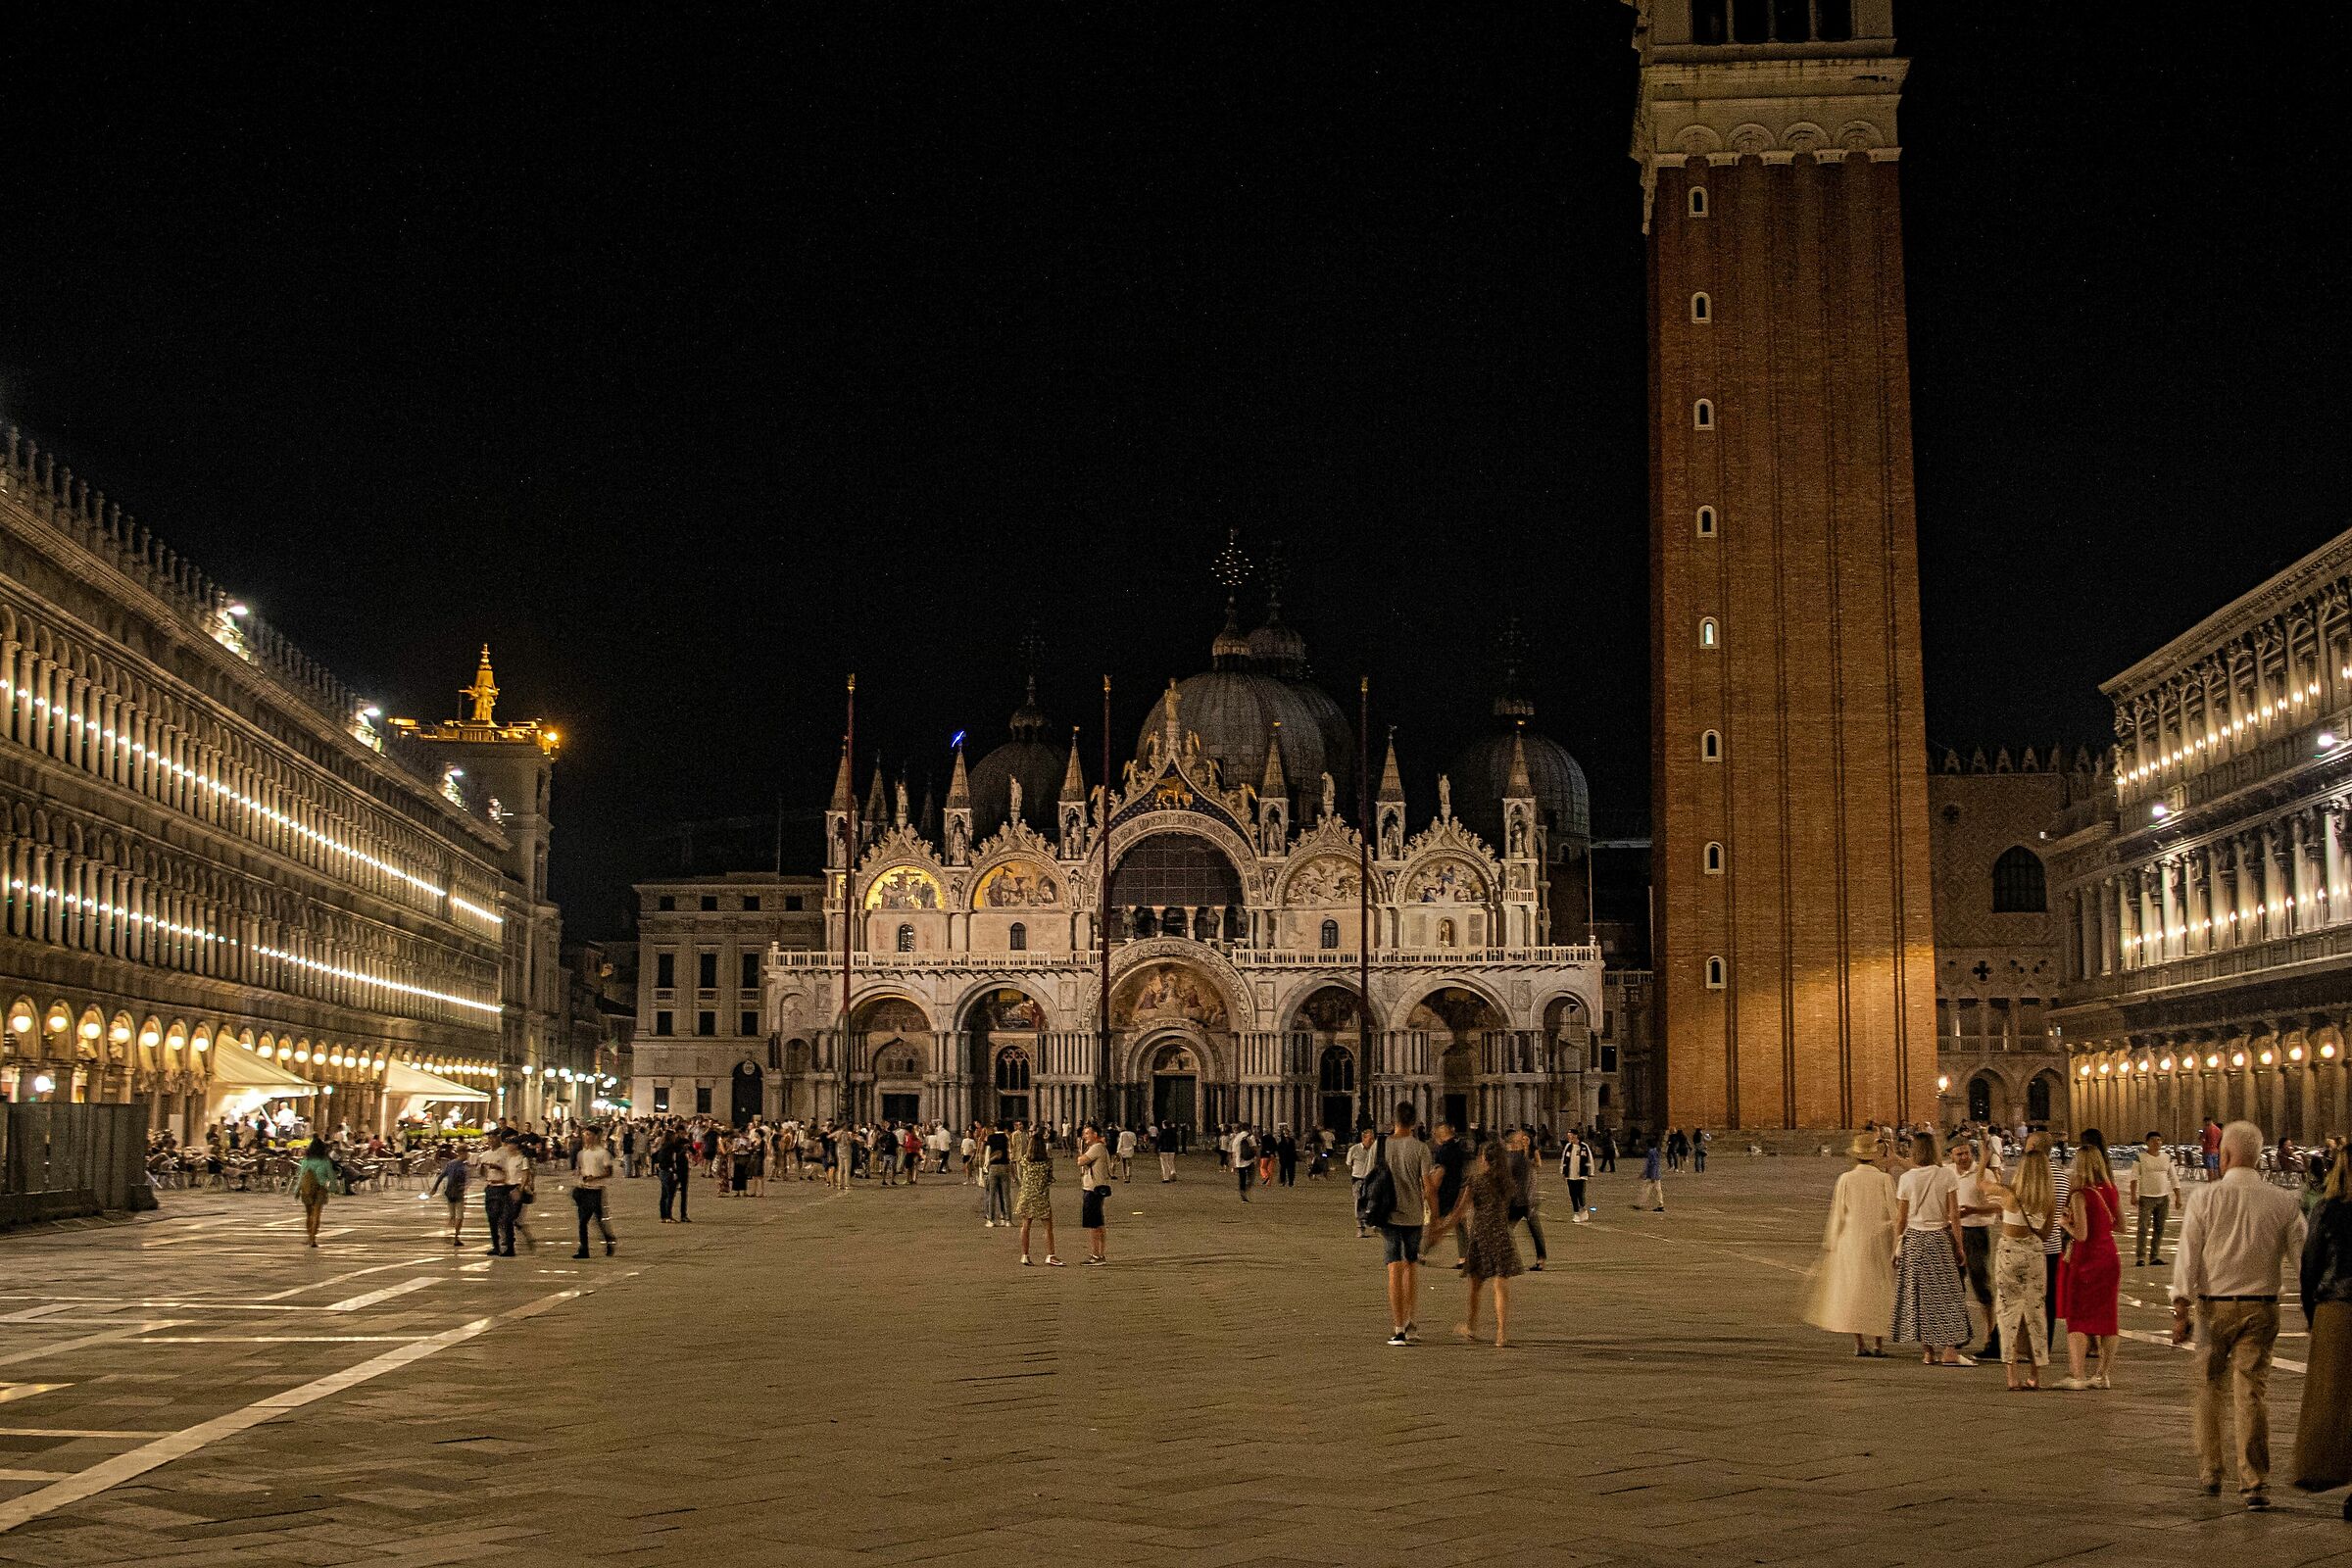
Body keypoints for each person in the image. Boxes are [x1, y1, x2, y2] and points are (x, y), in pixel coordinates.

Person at [2172, 1119, 2307, 1508]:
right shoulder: (2283, 1201)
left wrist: (2181, 1306)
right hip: (2262, 1307)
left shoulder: (2205, 1198)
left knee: (2209, 1388)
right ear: (2260, 1157)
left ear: (2226, 1154)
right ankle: (2254, 1482)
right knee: (2251, 1392)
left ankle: (2212, 1472)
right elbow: (2303, 1261)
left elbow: (2188, 1255)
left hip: (2214, 1307)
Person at [2294, 1148, 2352, 1515]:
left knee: (2334, 1401)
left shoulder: (2327, 1210)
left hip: (2337, 1310)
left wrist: (2312, 1313)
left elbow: (2310, 1265)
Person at [1802, 1133, 1897, 1356]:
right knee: (1880, 1288)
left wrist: (1832, 1241)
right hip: (1878, 1238)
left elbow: (1838, 1213)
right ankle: (1878, 1343)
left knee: (1854, 1288)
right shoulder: (1884, 1179)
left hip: (1851, 1240)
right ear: (1875, 1157)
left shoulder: (1845, 1178)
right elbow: (1894, 1213)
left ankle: (1859, 1343)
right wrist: (1897, 1241)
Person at [1431, 1139, 1522, 1347]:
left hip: (1481, 1235)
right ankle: (1501, 1333)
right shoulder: (1506, 1182)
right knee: (1500, 1285)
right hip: (1502, 1234)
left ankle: (1471, 1327)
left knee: (1475, 1286)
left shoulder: (1475, 1181)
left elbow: (1458, 1213)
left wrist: (1441, 1230)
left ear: (1483, 1158)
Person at [1890, 1131, 1971, 1367]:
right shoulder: (1946, 1174)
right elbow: (1954, 1214)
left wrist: (1897, 1245)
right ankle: (1949, 1347)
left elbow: (1901, 1218)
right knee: (1948, 1295)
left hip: (1914, 1241)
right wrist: (1959, 1245)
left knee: (1918, 1296)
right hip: (1939, 1239)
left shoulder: (1907, 1179)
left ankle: (1928, 1352)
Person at [1984, 1138, 2056, 1390]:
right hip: (2035, 1254)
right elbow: (2046, 1234)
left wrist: (1985, 1159)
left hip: (2009, 1253)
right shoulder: (2049, 1198)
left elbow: (1980, 1185)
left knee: (2008, 1312)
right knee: (2035, 1313)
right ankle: (2035, 1375)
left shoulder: (2009, 1195)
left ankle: (2012, 1376)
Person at [2056, 1141, 2122, 1390]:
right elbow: (2120, 1225)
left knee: (2079, 1317)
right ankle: (2102, 1375)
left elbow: (2081, 1234)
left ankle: (2078, 1374)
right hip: (2110, 1257)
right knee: (2108, 1319)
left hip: (2088, 1260)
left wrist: (2065, 1223)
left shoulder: (2080, 1194)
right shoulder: (2110, 1190)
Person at [1369, 1102, 1437, 1347]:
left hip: (1388, 1216)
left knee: (1394, 1270)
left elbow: (1368, 1179)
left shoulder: (1380, 1145)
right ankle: (1410, 1324)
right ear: (1415, 1122)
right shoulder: (1421, 1149)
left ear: (1392, 1120)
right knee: (1410, 1267)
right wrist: (1436, 1218)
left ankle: (1398, 1328)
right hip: (1414, 1216)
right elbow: (1428, 1187)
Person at [1949, 1138, 2000, 1360]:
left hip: (1977, 1232)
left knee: (1981, 1284)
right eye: (1959, 1154)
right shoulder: (1947, 1172)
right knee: (1953, 1284)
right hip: (1953, 1233)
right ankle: (1959, 1332)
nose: (1964, 1157)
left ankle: (1990, 1335)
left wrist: (1973, 1210)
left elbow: (1999, 1204)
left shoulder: (1985, 1174)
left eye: (1967, 1153)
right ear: (1951, 1155)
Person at [2126, 1132, 2178, 1266]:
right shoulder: (2141, 1158)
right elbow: (2134, 1177)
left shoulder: (2167, 1158)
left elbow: (2173, 1177)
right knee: (2143, 1227)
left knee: (2159, 1228)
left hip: (2163, 1197)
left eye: (2159, 1140)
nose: (2157, 1143)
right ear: (2147, 1142)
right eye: (2154, 1140)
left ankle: (2154, 1256)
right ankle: (2141, 1256)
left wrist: (2178, 1196)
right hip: (2146, 1197)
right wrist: (2133, 1195)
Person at [1013, 1128, 1061, 1267]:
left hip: (1026, 1195)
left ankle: (1025, 1255)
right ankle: (1050, 1255)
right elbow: (1049, 1179)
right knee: (1047, 1227)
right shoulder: (1047, 1163)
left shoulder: (1025, 1161)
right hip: (1041, 1196)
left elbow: (1021, 1174)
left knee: (1026, 1226)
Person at [1504, 1127, 1546, 1271]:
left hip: (1526, 1199)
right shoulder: (1514, 1155)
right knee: (1507, 1229)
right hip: (1519, 1199)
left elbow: (1534, 1167)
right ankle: (1511, 1259)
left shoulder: (1523, 1156)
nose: (1522, 1141)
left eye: (1524, 1139)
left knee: (1534, 1230)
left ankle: (1539, 1259)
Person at [476, 1129, 523, 1255]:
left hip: (502, 1187)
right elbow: (481, 1174)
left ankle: (509, 1245)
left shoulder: (505, 1153)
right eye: (489, 1138)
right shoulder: (485, 1154)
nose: (491, 1140)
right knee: (492, 1218)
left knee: (504, 1218)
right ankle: (495, 1245)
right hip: (490, 1186)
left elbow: (510, 1170)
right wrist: (481, 1168)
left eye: (493, 1138)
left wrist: (498, 1168)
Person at [571, 1126, 616, 1258]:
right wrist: (579, 1175)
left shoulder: (603, 1153)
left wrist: (594, 1178)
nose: (586, 1137)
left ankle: (609, 1240)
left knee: (598, 1220)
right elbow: (579, 1169)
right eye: (585, 1135)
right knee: (583, 1221)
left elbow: (609, 1172)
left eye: (589, 1134)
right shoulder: (582, 1153)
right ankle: (583, 1249)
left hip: (596, 1190)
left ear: (596, 1136)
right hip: (583, 1189)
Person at [1077, 1123, 1114, 1265]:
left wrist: (1081, 1151)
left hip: (1093, 1189)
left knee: (1094, 1224)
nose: (1084, 1136)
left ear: (1095, 1135)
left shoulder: (1097, 1148)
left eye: (1087, 1133)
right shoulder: (1098, 1147)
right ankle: (1100, 1254)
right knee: (1098, 1222)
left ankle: (1096, 1255)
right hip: (1096, 1187)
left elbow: (1080, 1161)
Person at [294, 1136, 337, 1248]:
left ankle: (309, 1236)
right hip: (321, 1188)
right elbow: (331, 1176)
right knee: (317, 1214)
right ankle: (313, 1238)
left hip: (307, 1188)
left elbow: (301, 1176)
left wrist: (297, 1190)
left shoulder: (306, 1161)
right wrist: (334, 1188)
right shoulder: (325, 1161)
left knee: (309, 1214)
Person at [427, 1148, 469, 1248]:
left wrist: (434, 1188)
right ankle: (456, 1236)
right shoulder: (462, 1166)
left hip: (449, 1192)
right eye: (466, 1152)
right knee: (460, 1216)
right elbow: (461, 1181)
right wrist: (463, 1188)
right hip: (458, 1193)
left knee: (452, 1215)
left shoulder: (451, 1163)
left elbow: (441, 1176)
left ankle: (451, 1232)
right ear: (461, 1153)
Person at [1346, 1127, 1379, 1239]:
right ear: (1364, 1138)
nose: (1372, 1141)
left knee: (1374, 1201)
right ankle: (1360, 1227)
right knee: (1359, 1203)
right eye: (1370, 1139)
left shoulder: (1375, 1150)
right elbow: (1349, 1164)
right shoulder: (1354, 1149)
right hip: (1358, 1179)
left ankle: (1375, 1223)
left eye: (1373, 1139)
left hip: (1372, 1179)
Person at [981, 1120, 1014, 1227]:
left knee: (992, 1194)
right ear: (1004, 1129)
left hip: (993, 1167)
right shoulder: (1007, 1138)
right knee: (1006, 1195)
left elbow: (987, 1153)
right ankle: (1007, 1219)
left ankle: (991, 1219)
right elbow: (1010, 1153)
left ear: (995, 1128)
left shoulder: (990, 1138)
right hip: (1004, 1166)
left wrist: (985, 1167)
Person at [1561, 1129, 1593, 1223]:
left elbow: (1589, 1159)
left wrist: (1590, 1173)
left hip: (1581, 1175)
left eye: (1571, 1135)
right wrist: (1563, 1172)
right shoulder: (1568, 1147)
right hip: (1570, 1175)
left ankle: (1583, 1209)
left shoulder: (1583, 1147)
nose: (1569, 1137)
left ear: (1575, 1136)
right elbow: (1564, 1159)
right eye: (1568, 1135)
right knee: (1573, 1195)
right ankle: (1576, 1213)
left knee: (1580, 1194)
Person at [1636, 1134, 1665, 1212]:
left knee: (1646, 1189)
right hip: (1656, 1175)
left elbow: (1653, 1164)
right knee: (1657, 1190)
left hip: (1652, 1175)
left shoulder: (1651, 1152)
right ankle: (1660, 1204)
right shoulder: (1654, 1152)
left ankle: (1640, 1204)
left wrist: (1652, 1176)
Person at [1234, 1125, 1257, 1202]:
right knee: (1251, 1177)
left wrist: (1234, 1163)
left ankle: (1242, 1192)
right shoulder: (1250, 1136)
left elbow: (1233, 1151)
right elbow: (1254, 1148)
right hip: (1249, 1161)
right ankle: (1246, 1190)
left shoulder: (1237, 1138)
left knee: (1242, 1178)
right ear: (1248, 1129)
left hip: (1239, 1162)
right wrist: (1256, 1157)